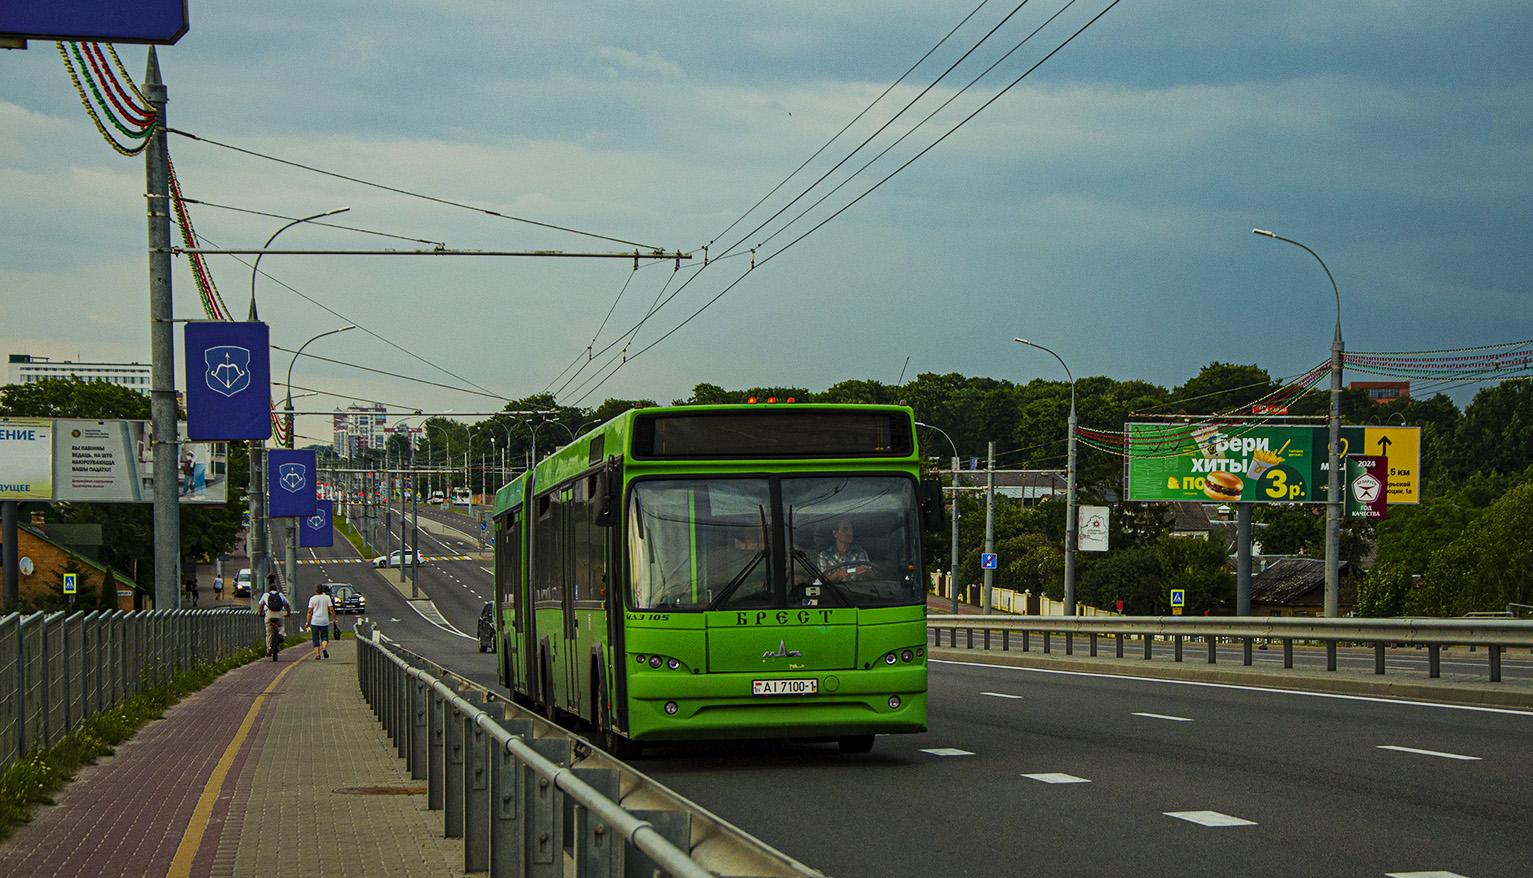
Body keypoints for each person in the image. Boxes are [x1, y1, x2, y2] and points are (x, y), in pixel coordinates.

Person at [258, 576, 291, 658]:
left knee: (269, 633)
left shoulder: (265, 595)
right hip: (279, 613)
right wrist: (288, 612)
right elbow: (287, 604)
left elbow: (260, 606)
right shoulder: (280, 595)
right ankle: (280, 634)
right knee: (281, 625)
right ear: (276, 590)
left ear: (269, 590)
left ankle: (269, 650)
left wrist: (260, 614)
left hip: (269, 613)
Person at [306, 583, 338, 660]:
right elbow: (331, 609)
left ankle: (317, 654)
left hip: (315, 621)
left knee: (315, 638)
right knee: (324, 636)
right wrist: (334, 618)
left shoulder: (312, 599)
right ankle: (324, 648)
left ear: (316, 590)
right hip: (324, 621)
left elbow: (309, 611)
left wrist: (307, 622)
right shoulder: (326, 598)